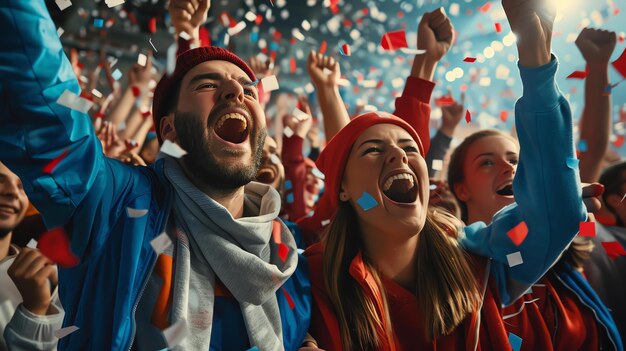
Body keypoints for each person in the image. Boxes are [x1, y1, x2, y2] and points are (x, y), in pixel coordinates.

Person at [0, 0, 312, 350]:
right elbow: (47, 110)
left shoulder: (292, 259)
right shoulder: (118, 207)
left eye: (248, 89)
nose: (236, 91)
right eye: (207, 85)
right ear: (170, 130)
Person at [303, 0, 599, 348]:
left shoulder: (478, 261)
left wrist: (536, 63)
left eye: (410, 149)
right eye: (373, 150)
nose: (399, 154)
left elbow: (557, 215)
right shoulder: (309, 282)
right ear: (342, 189)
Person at [0, 163, 63, 351]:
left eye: (22, 186)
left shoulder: (46, 273)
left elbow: (67, 335)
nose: (13, 192)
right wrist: (34, 312)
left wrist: (41, 311)